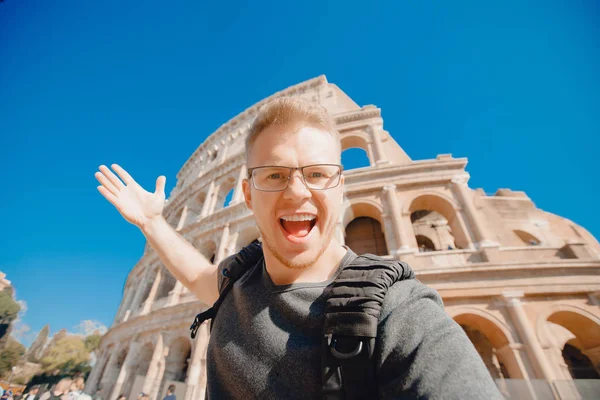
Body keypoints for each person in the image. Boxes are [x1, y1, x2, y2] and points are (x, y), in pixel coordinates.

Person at [95, 97, 502, 399]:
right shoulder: (239, 281)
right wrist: (151, 222)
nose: (297, 191)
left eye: (317, 174)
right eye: (274, 175)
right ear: (248, 195)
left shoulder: (396, 311)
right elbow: (200, 276)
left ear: (341, 186)